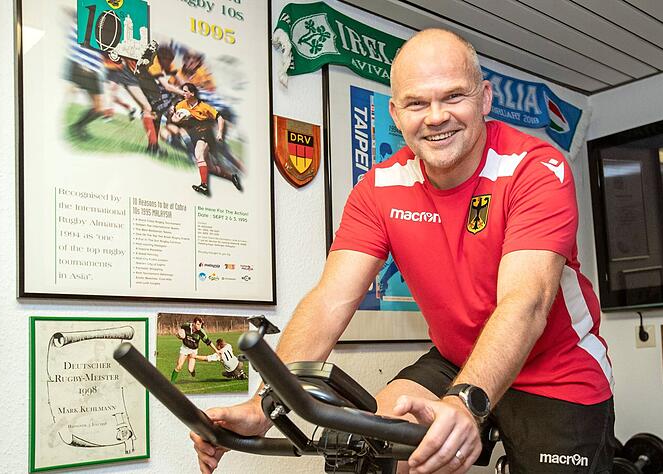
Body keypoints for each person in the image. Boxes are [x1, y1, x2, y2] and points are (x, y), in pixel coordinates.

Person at [191, 28, 614, 474]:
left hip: (556, 370)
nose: (436, 117)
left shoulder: (535, 169)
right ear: (396, 112)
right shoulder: (380, 188)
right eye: (417, 103)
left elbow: (526, 303)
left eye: (453, 97)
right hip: (457, 356)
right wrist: (266, 404)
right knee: (371, 444)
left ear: (485, 98)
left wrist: (466, 402)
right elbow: (330, 301)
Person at [171, 82, 241, 196]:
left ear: (192, 93)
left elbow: (220, 118)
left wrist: (219, 132)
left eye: (185, 91)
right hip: (194, 134)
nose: (183, 93)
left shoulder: (204, 106)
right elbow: (174, 118)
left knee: (199, 155)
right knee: (211, 168)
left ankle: (204, 186)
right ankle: (232, 177)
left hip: (205, 132)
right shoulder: (180, 105)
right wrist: (177, 118)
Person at [171, 317, 213, 382]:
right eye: (198, 324)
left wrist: (217, 350)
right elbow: (180, 330)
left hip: (193, 350)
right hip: (185, 348)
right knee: (179, 366)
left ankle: (192, 371)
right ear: (194, 323)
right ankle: (171, 383)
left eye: (200, 324)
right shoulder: (186, 326)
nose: (200, 326)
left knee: (190, 369)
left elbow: (209, 342)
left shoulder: (201, 332)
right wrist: (179, 335)